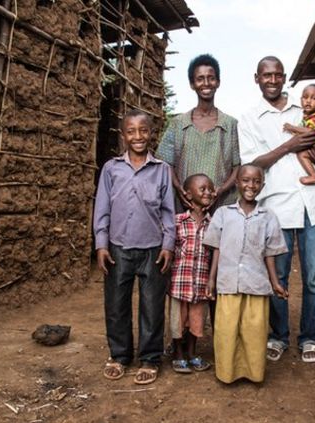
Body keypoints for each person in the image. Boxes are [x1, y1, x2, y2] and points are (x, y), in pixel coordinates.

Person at [238, 56, 315, 364]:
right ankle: (278, 336)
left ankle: (309, 337)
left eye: (278, 75)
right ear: (257, 78)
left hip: (312, 204)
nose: (272, 80)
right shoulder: (250, 118)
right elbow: (253, 164)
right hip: (275, 206)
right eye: (266, 75)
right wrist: (289, 146)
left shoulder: (306, 107)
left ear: (284, 78)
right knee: (276, 276)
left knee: (314, 277)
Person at [93, 110, 175, 385]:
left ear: (152, 134)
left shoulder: (162, 170)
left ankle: (150, 358)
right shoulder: (111, 168)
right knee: (116, 306)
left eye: (143, 130)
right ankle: (119, 355)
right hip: (118, 248)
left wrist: (168, 244)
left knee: (152, 306)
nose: (138, 136)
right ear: (123, 135)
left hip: (153, 249)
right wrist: (101, 244)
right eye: (131, 131)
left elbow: (167, 211)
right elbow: (102, 208)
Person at [202, 163, 289, 383]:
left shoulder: (268, 217)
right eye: (246, 180)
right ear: (237, 183)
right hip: (228, 283)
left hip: (256, 283)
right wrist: (211, 280)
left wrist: (275, 282)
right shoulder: (223, 214)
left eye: (257, 181)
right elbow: (216, 249)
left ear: (263, 185)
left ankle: (253, 373)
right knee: (227, 331)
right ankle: (227, 373)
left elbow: (270, 254)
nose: (251, 185)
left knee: (254, 332)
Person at [156, 53, 240, 212]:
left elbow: (237, 168)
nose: (206, 83)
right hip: (185, 207)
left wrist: (220, 191)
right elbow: (165, 163)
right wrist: (179, 188)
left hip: (221, 208)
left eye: (211, 78)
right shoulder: (178, 123)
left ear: (218, 82)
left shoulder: (230, 125)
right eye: (200, 78)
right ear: (192, 84)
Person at [168, 173, 214, 374]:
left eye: (210, 189)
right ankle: (178, 353)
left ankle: (192, 352)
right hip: (180, 282)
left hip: (201, 283)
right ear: (188, 194)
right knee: (178, 320)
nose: (208, 192)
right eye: (202, 189)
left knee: (197, 320)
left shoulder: (213, 224)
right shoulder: (178, 221)